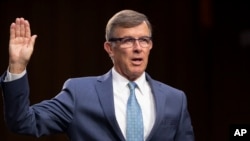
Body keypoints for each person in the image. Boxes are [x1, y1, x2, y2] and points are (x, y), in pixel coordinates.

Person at [0, 9, 194, 141]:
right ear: (110, 48)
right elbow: (23, 122)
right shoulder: (79, 93)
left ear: (150, 45)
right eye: (127, 40)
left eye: (144, 40)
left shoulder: (175, 99)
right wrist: (17, 67)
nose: (137, 48)